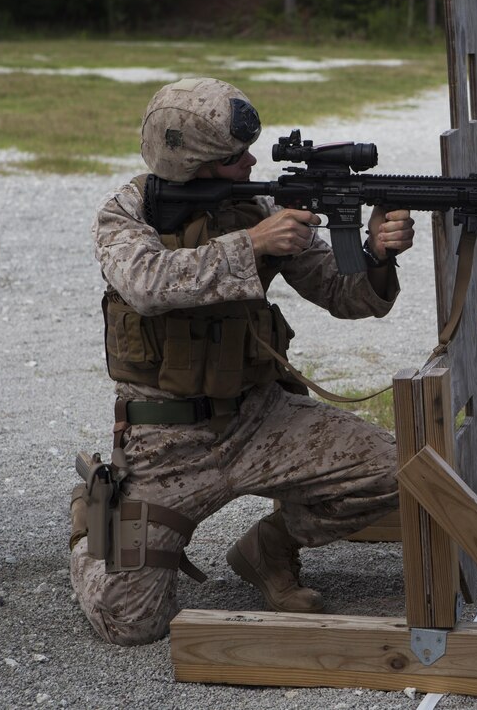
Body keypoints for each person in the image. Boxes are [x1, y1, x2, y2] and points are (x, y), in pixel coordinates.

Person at [69, 77, 415, 646]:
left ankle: (269, 551)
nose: (251, 162)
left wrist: (376, 254)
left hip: (260, 418)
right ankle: (95, 522)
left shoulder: (257, 204)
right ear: (191, 163)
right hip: (167, 445)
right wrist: (253, 244)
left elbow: (343, 293)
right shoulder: (126, 213)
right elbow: (148, 284)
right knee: (129, 624)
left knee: (394, 471)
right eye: (234, 158)